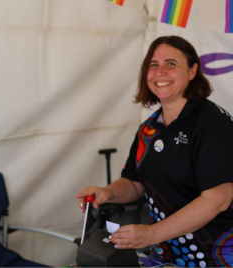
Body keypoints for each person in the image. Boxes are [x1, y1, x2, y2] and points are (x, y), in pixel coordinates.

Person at [76, 36, 233, 268]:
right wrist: (107, 192)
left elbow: (217, 200)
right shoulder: (149, 128)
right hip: (163, 257)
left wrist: (151, 234)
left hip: (215, 259)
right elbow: (135, 182)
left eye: (171, 64)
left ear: (192, 71)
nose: (161, 72)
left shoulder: (213, 124)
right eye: (153, 65)